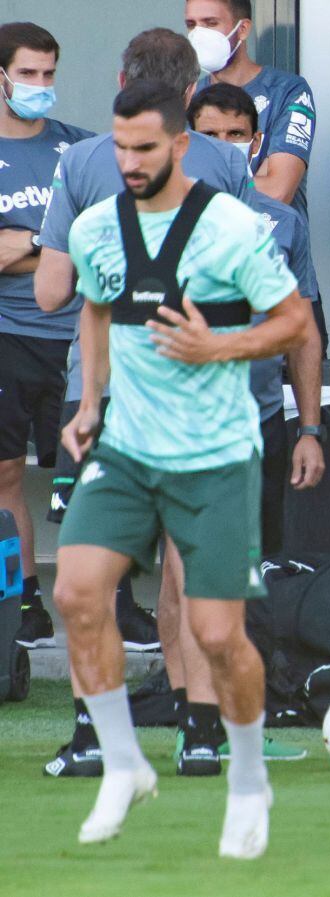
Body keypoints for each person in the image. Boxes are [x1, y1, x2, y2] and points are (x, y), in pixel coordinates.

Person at [34, 27, 301, 779]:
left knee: (95, 578)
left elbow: (55, 291)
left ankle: (93, 734)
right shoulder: (222, 159)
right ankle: (200, 730)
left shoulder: (79, 161)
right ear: (192, 94)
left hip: (117, 400)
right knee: (188, 577)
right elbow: (268, 287)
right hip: (194, 407)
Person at [172, 81, 325, 775]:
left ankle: (241, 718)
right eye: (211, 135)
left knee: (245, 574)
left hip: (260, 419)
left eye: (238, 136)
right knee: (185, 574)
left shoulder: (282, 225)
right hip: (180, 422)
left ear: (254, 143)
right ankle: (192, 716)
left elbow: (306, 335)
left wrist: (310, 426)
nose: (225, 149)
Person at [0, 22, 93, 650]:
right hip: (7, 334)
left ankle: (110, 599)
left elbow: (105, 245)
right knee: (5, 474)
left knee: (92, 475)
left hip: (85, 337)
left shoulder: (83, 149)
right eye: (28, 73)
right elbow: (78, 244)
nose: (40, 85)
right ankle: (20, 604)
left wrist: (27, 243)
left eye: (49, 73)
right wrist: (59, 242)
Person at [184, 0, 328, 351]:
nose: (198, 34)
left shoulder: (288, 90)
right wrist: (254, 175)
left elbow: (279, 189)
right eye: (191, 24)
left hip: (281, 276)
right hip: (199, 282)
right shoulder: (187, 96)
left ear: (242, 29)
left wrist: (201, 186)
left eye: (210, 22)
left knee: (291, 401)